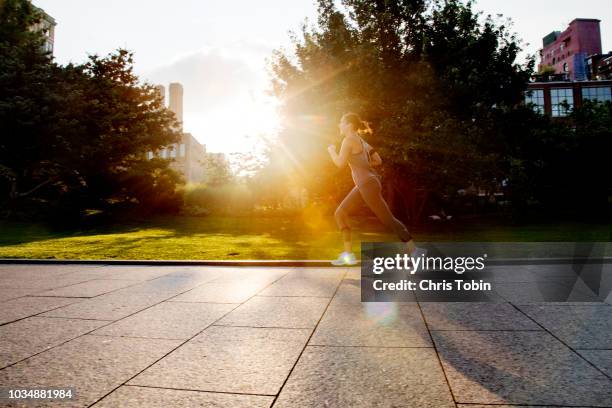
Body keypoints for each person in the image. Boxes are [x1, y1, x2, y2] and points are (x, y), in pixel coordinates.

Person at [327, 112, 425, 266]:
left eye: (341, 122)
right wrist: (365, 165)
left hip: (367, 184)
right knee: (340, 213)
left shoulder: (348, 140)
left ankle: (415, 251)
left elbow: (339, 163)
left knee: (387, 219)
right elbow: (378, 160)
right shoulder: (363, 142)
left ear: (349, 125)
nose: (339, 125)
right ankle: (348, 255)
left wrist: (331, 150)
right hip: (366, 183)